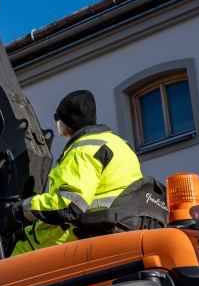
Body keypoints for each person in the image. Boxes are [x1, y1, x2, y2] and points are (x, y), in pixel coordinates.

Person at [9, 90, 142, 256]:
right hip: (115, 227)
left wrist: (22, 208)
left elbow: (68, 205)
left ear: (65, 122)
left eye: (57, 118)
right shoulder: (120, 145)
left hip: (84, 234)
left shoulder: (83, 150)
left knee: (19, 248)